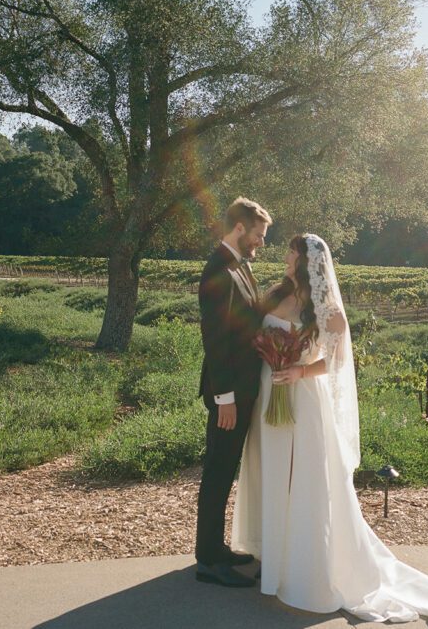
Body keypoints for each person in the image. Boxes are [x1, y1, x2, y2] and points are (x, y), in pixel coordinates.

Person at [232, 233, 428, 622]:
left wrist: (299, 370)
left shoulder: (327, 310)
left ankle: (302, 563)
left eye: (293, 252)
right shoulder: (277, 293)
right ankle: (272, 556)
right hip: (268, 394)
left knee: (302, 478)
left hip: (302, 397)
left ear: (309, 262)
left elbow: (338, 362)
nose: (287, 255)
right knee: (271, 471)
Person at [194, 197, 271, 588]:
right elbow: (216, 339)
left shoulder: (239, 266)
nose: (260, 242)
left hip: (242, 389)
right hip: (230, 395)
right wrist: (223, 397)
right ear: (240, 228)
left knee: (225, 472)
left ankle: (217, 549)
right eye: (258, 235)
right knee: (218, 473)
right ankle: (208, 560)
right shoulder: (218, 271)